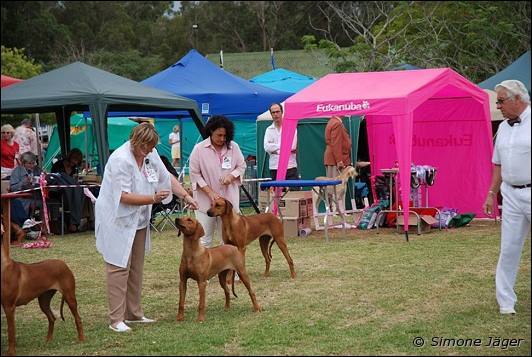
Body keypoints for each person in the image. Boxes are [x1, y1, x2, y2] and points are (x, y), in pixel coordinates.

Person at [95, 123, 198, 333]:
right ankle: (116, 319)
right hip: (117, 219)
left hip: (139, 219)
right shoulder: (120, 160)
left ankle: (133, 313)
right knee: (118, 266)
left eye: (152, 146)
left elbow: (166, 177)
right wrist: (152, 198)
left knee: (136, 267)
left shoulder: (151, 154)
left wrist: (186, 196)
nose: (150, 150)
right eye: (146, 146)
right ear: (135, 141)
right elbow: (122, 196)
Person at [482, 79, 531, 315]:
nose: (498, 106)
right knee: (509, 248)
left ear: (518, 100)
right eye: (497, 102)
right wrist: (492, 193)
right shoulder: (502, 128)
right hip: (510, 194)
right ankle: (505, 302)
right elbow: (497, 164)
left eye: (501, 101)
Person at [189, 115, 246, 248]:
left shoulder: (234, 147)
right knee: (204, 240)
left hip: (228, 203)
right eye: (219, 135)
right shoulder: (199, 149)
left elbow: (241, 166)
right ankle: (203, 268)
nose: (222, 139)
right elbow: (195, 174)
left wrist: (231, 176)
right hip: (205, 202)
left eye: (225, 136)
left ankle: (230, 269)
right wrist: (210, 193)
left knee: (229, 240)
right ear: (210, 131)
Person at [50, 148, 87, 233]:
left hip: (70, 191)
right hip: (58, 192)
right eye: (74, 159)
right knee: (76, 190)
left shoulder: (74, 169)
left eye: (77, 161)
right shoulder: (58, 165)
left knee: (80, 192)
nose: (75, 163)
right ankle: (74, 223)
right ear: (70, 157)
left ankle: (75, 222)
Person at [264, 103, 299, 180]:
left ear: (282, 112)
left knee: (293, 191)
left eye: (277, 111)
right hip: (274, 167)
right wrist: (284, 146)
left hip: (290, 166)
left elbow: (292, 146)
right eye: (273, 112)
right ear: (271, 114)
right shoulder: (268, 130)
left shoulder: (291, 128)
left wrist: (275, 150)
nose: (276, 114)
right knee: (277, 191)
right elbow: (266, 147)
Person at [9, 151, 42, 217]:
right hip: (22, 198)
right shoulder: (17, 171)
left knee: (51, 203)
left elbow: (43, 181)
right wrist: (23, 182)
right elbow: (13, 188)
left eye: (33, 163)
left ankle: (49, 223)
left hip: (36, 197)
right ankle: (24, 222)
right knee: (20, 204)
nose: (32, 166)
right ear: (23, 163)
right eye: (29, 163)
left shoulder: (38, 170)